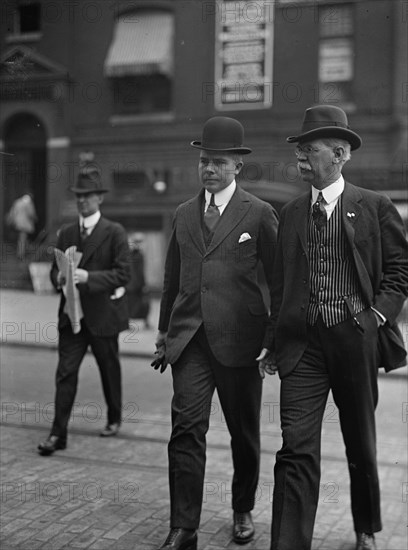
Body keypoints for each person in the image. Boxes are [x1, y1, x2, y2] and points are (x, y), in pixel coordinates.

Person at [260, 105, 408, 550]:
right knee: (294, 446)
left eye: (311, 150)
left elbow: (400, 271)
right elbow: (279, 285)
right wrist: (271, 343)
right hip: (301, 345)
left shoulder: (375, 207)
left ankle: (365, 529)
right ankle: (289, 544)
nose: (301, 158)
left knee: (359, 439)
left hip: (353, 339)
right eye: (300, 150)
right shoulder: (288, 214)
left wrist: (376, 316)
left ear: (340, 154)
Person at [151, 116, 279, 550]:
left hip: (242, 343)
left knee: (243, 433)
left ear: (237, 167)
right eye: (204, 161)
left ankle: (242, 508)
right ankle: (184, 528)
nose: (209, 169)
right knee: (186, 429)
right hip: (189, 341)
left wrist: (271, 338)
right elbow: (172, 279)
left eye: (218, 163)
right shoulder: (184, 213)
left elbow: (278, 281)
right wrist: (164, 333)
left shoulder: (259, 214)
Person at [38, 165, 131, 456]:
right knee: (65, 373)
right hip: (72, 317)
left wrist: (89, 278)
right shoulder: (66, 233)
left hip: (103, 316)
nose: (82, 201)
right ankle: (57, 434)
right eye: (79, 196)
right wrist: (59, 278)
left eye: (88, 196)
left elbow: (124, 274)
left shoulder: (114, 232)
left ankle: (114, 418)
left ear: (100, 198)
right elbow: (55, 272)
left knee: (109, 370)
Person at [126, 232, 150, 328]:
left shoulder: (132, 254)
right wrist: (143, 284)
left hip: (131, 284)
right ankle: (143, 322)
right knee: (141, 303)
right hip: (135, 284)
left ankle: (144, 321)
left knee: (134, 304)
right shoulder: (136, 255)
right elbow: (139, 271)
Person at [6, 193, 37, 259]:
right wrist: (35, 218)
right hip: (25, 223)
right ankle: (21, 254)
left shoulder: (17, 202)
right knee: (22, 238)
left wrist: (11, 220)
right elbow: (31, 213)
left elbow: (12, 212)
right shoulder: (28, 203)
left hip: (18, 223)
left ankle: (23, 252)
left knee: (23, 238)